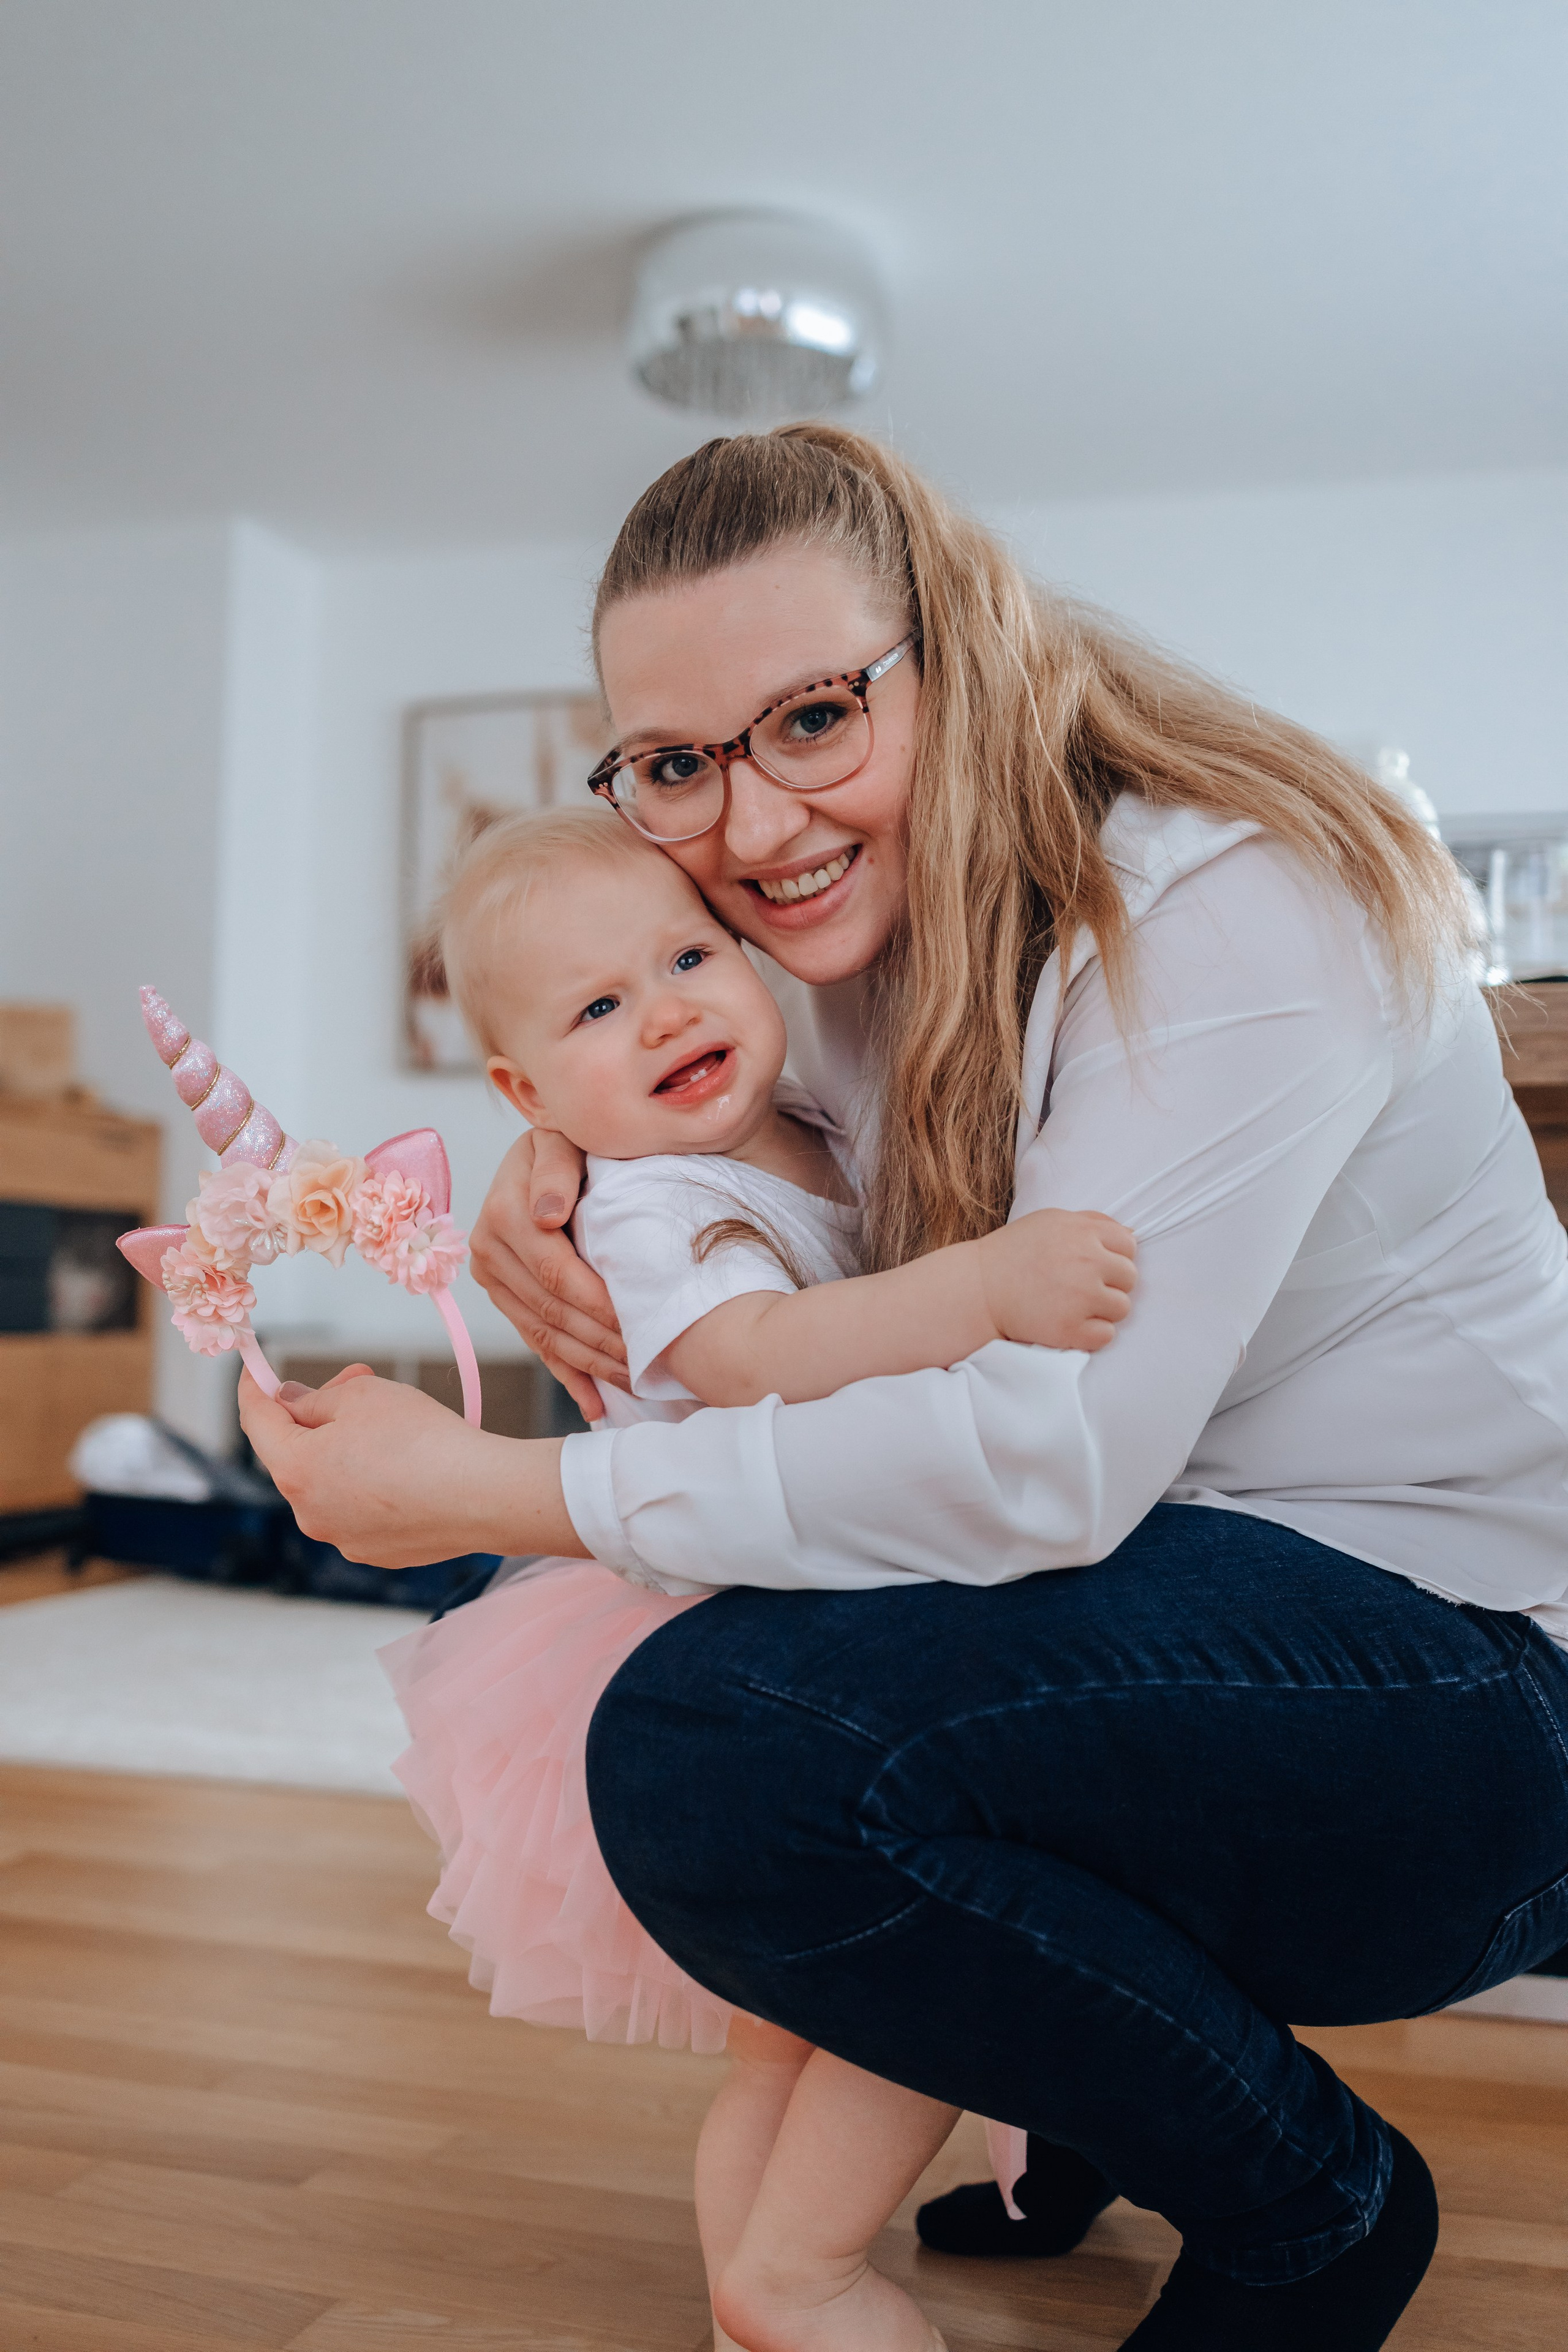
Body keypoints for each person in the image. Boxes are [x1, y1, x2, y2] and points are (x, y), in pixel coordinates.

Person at [243, 424, 1568, 2352]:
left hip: (1483, 1704)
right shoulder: (846, 951)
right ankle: (1087, 2099)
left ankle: (1312, 2203)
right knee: (771, 1690)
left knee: (721, 1748)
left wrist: (501, 1494)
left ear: (957, 654)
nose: (753, 824)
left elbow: (1049, 1462)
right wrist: (592, 1162)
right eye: (676, 765)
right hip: (1207, 1605)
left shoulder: (1230, 907)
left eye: (812, 718)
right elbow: (777, 1197)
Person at [379, 802, 1136, 2352]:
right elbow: (754, 1355)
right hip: (745, 1635)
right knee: (855, 2003)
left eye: (686, 958)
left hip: (823, 1585)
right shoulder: (650, 1202)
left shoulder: (798, 1117)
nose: (665, 1013)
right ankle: (789, 2284)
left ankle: (765, 2302)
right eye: (599, 1008)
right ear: (527, 1095)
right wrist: (986, 1285)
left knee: (796, 2038)